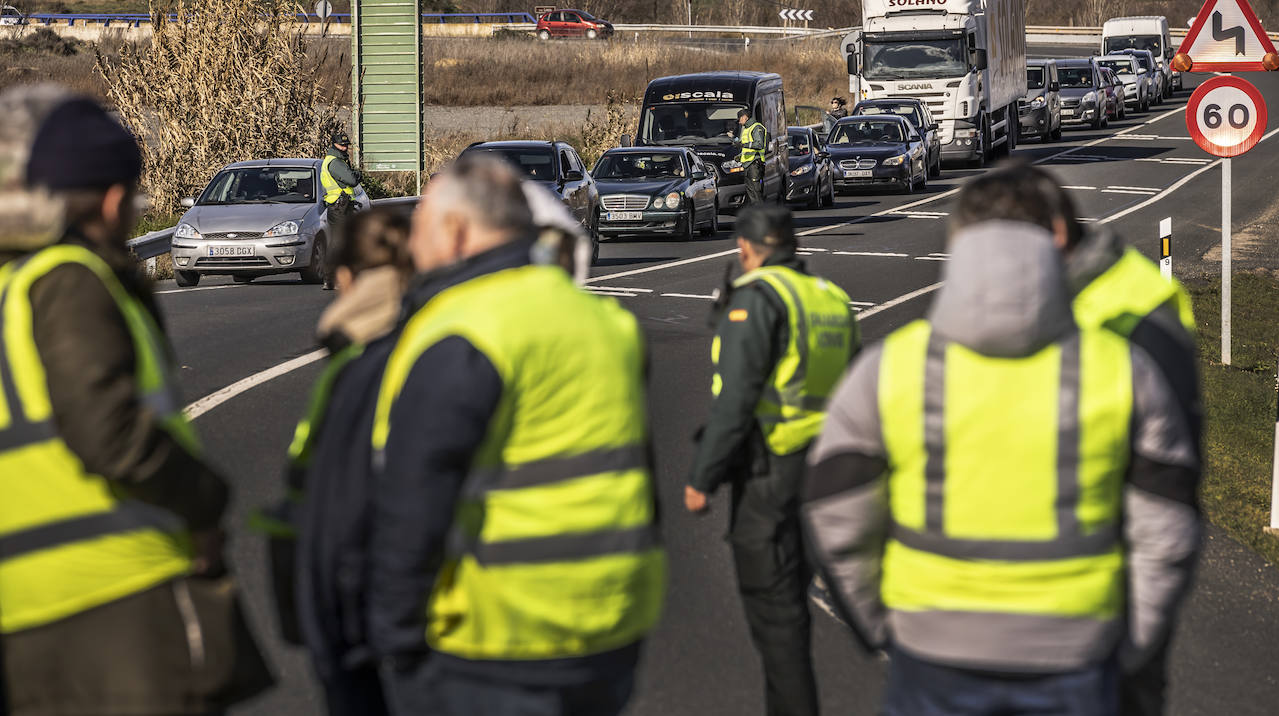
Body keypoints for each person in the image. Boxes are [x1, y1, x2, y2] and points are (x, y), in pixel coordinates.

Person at [802, 169, 1201, 716]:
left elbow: (835, 506)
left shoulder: (893, 364)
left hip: (932, 650)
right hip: (1079, 644)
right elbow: (1170, 514)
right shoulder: (1125, 359)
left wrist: (882, 626)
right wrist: (1128, 641)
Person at [0, 85, 272, 716]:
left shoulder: (12, 289)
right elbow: (109, 430)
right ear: (116, 198)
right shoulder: (69, 282)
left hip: (23, 604)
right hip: (116, 591)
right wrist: (205, 503)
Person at [367, 155, 665, 716]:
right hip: (612, 620)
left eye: (420, 227)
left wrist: (393, 638)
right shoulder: (605, 322)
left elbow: (413, 503)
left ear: (455, 231)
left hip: (498, 636)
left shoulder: (459, 329)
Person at [945, 161, 1201, 716]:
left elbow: (1167, 496)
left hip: (1104, 614)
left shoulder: (1136, 313)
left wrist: (1131, 643)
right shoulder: (1038, 299)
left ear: (1054, 235)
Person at [684, 205, 859, 716]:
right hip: (822, 472)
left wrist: (702, 477)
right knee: (792, 613)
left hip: (768, 471)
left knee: (776, 624)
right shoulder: (830, 299)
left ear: (746, 250)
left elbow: (737, 398)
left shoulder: (758, 300)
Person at [257, 206, 414, 716]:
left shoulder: (355, 367)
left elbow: (331, 498)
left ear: (344, 276)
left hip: (363, 610)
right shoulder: (453, 346)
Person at [321, 132, 362, 290]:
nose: (345, 147)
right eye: (341, 145)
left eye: (346, 145)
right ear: (334, 144)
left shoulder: (335, 160)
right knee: (340, 243)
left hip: (339, 205)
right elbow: (351, 180)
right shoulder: (336, 162)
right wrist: (356, 175)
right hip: (340, 206)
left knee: (338, 242)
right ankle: (335, 278)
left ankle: (331, 278)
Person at [737, 108, 767, 206]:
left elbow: (759, 144)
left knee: (756, 192)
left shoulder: (756, 127)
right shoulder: (746, 129)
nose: (739, 121)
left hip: (755, 164)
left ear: (745, 117)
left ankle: (761, 215)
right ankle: (756, 214)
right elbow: (747, 148)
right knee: (751, 193)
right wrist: (740, 156)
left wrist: (743, 145)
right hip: (748, 164)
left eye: (739, 119)